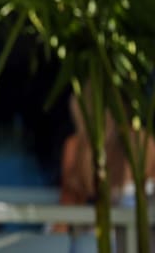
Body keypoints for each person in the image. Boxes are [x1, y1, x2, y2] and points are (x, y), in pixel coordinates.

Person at [55, 82, 155, 252]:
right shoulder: (143, 142)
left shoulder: (76, 146)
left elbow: (68, 204)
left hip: (106, 239)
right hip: (140, 237)